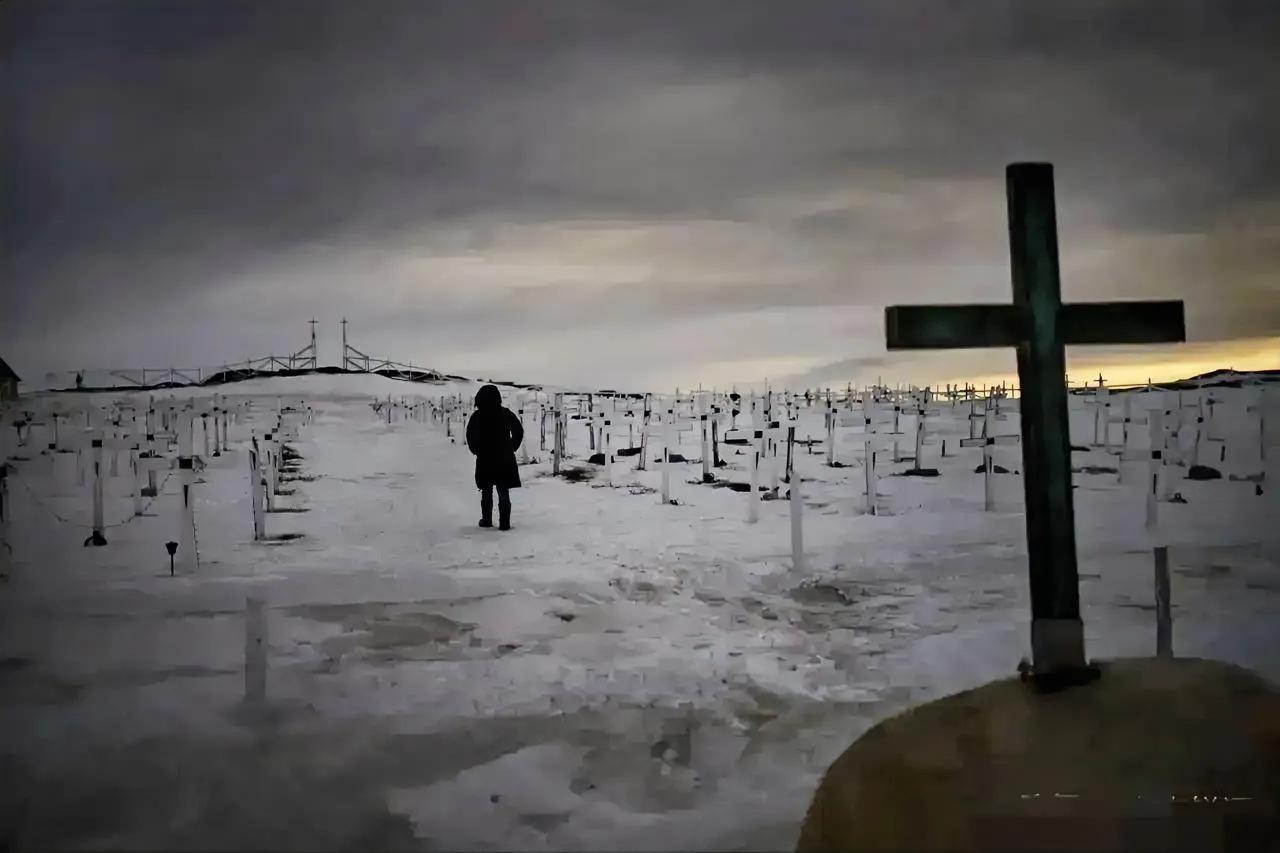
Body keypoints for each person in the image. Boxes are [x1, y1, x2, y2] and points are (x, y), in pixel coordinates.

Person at [465, 384, 523, 530]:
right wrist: (511, 447)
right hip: (504, 458)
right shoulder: (505, 413)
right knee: (503, 491)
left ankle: (486, 520)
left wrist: (476, 450)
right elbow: (518, 431)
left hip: (485, 459)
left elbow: (470, 435)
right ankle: (504, 523)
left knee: (486, 490)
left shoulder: (477, 416)